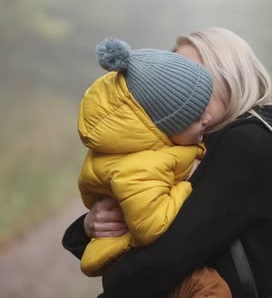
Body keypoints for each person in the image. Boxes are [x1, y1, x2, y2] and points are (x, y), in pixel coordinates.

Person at [63, 27, 272, 297]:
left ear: (231, 78)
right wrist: (91, 225)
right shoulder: (208, 144)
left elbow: (162, 260)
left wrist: (114, 279)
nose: (186, 87)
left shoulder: (248, 144)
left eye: (197, 75)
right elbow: (172, 228)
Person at [76, 37, 231, 296]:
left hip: (137, 258)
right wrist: (188, 185)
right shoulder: (141, 165)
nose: (207, 118)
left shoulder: (157, 147)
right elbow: (150, 226)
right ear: (167, 126)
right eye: (195, 117)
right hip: (130, 260)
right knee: (210, 289)